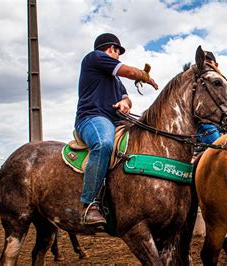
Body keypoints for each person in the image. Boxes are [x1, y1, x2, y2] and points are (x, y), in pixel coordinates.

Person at [75, 33, 158, 225]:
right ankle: (89, 204)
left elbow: (127, 97)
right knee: (104, 144)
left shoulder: (116, 81)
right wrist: (145, 76)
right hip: (92, 118)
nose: (119, 55)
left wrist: (124, 103)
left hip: (117, 121)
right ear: (112, 48)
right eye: (118, 51)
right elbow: (129, 72)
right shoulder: (93, 57)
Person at [196, 51, 222, 148]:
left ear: (216, 65)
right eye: (204, 63)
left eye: (209, 62)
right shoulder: (199, 81)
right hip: (206, 123)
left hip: (223, 125)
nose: (206, 65)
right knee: (220, 148)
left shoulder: (222, 83)